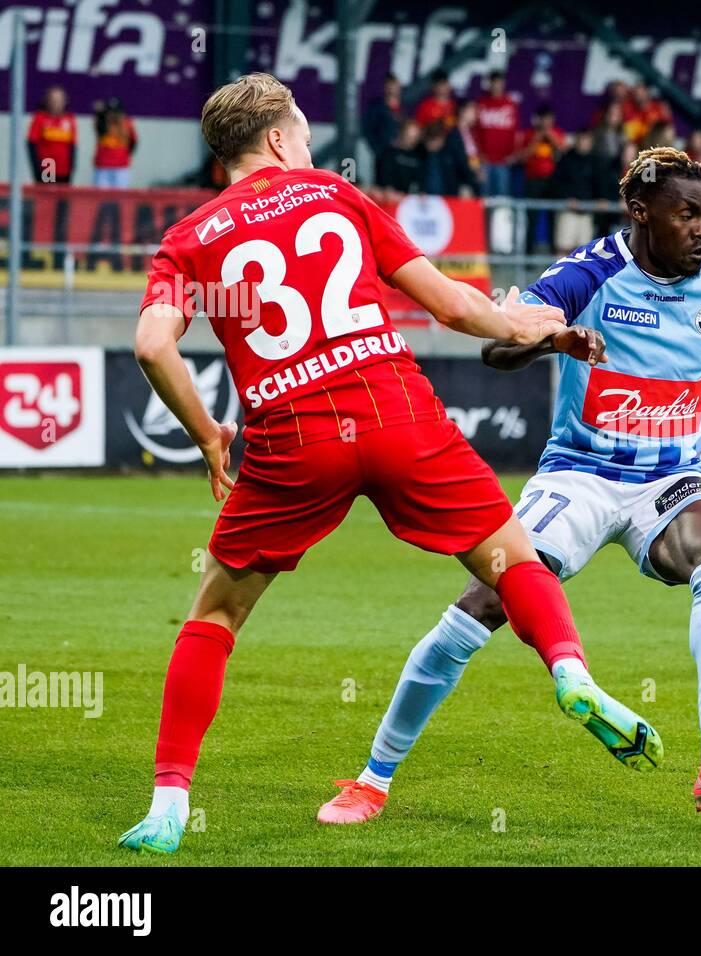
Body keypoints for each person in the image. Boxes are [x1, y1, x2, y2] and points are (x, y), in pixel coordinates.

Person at [117, 72, 659, 854]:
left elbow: (150, 346)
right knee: (512, 560)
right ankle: (570, 671)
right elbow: (450, 304)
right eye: (302, 130)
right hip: (394, 409)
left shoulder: (189, 239)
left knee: (213, 617)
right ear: (277, 139)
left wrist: (207, 434)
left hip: (290, 438)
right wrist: (534, 329)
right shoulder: (333, 195)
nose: (307, 143)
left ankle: (169, 805)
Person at [321, 146, 701, 821]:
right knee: (485, 600)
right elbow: (498, 347)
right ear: (640, 212)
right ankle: (372, 778)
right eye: (686, 215)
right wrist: (554, 338)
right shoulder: (587, 274)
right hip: (583, 474)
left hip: (673, 476)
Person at [515, 105, 566, 252]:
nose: (545, 122)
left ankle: (552, 253)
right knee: (531, 218)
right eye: (543, 119)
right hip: (533, 181)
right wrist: (536, 139)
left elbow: (563, 153)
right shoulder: (528, 134)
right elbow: (522, 157)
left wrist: (550, 137)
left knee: (553, 217)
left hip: (552, 181)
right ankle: (529, 253)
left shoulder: (556, 133)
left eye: (549, 119)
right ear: (537, 119)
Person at [550, 129, 602, 251]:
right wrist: (567, 198)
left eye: (587, 140)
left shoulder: (596, 162)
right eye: (582, 139)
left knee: (584, 253)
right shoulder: (566, 159)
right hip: (568, 210)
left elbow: (599, 184)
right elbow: (556, 184)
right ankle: (561, 271)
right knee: (563, 248)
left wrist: (600, 200)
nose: (584, 143)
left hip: (587, 212)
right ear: (576, 141)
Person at [472, 70, 519, 198]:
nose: (497, 86)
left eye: (499, 82)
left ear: (503, 84)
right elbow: (474, 132)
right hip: (484, 161)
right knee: (483, 198)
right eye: (494, 82)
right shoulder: (481, 103)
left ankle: (499, 219)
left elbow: (514, 133)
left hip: (503, 162)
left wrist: (512, 154)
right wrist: (478, 155)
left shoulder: (510, 105)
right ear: (489, 83)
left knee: (501, 200)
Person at [27, 86, 76, 184]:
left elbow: (72, 146)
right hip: (47, 166)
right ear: (47, 101)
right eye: (54, 100)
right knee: (46, 197)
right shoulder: (40, 118)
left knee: (62, 197)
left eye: (59, 100)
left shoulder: (69, 119)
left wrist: (72, 167)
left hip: (64, 168)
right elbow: (32, 145)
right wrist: (37, 168)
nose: (56, 104)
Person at [362, 74, 405, 177]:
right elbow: (368, 129)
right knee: (383, 184)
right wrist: (377, 149)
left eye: (395, 86)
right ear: (385, 88)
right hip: (384, 153)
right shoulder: (377, 107)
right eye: (389, 86)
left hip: (402, 153)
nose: (392, 89)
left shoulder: (404, 107)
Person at [374, 119, 425, 199]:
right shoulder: (388, 154)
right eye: (409, 136)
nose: (412, 140)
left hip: (407, 200)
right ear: (402, 133)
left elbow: (420, 180)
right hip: (389, 199)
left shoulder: (418, 156)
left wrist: (421, 192)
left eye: (415, 137)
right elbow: (384, 179)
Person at [92, 98, 137, 188]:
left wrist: (124, 155)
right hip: (103, 168)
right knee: (101, 197)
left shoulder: (127, 124)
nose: (114, 115)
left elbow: (133, 143)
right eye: (111, 112)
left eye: (116, 112)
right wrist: (98, 112)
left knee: (121, 198)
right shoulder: (102, 123)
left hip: (121, 168)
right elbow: (98, 127)